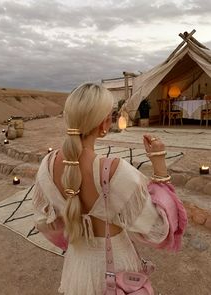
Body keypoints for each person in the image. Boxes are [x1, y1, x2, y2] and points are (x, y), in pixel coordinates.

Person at [32, 83, 187, 295]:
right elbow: (159, 228)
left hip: (78, 266)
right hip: (116, 270)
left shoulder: (46, 165)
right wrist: (159, 162)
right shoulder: (114, 171)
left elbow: (43, 222)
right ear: (104, 124)